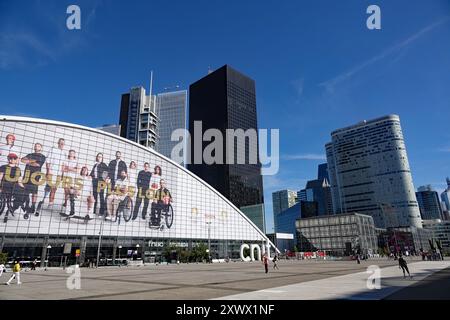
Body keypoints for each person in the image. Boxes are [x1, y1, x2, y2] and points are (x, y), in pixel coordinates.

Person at [21, 143, 46, 218]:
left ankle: (33, 205)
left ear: (41, 148)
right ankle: (27, 205)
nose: (36, 147)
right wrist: (32, 161)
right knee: (26, 190)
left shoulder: (42, 156)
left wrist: (28, 161)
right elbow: (22, 160)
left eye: (38, 146)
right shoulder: (30, 154)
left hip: (35, 176)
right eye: (35, 145)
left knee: (34, 191)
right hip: (27, 175)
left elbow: (38, 165)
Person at [0, 153, 27, 223]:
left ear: (16, 160)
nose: (12, 159)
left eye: (14, 158)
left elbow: (19, 181)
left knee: (24, 191)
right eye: (11, 158)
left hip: (15, 187)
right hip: (5, 186)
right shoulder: (3, 167)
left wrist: (24, 188)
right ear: (8, 159)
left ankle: (16, 208)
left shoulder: (18, 169)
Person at [45, 138, 67, 208]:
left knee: (54, 189)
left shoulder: (64, 153)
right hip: (52, 172)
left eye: (63, 143)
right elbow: (48, 161)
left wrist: (63, 174)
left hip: (59, 174)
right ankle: (45, 201)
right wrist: (48, 171)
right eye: (60, 143)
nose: (62, 144)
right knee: (48, 188)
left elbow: (63, 165)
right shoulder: (53, 150)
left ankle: (50, 203)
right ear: (58, 143)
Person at [62, 149, 79, 216]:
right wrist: (73, 168)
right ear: (69, 153)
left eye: (73, 153)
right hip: (66, 177)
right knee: (66, 192)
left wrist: (68, 168)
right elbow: (63, 169)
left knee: (71, 192)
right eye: (70, 153)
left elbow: (77, 170)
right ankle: (66, 207)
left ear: (74, 154)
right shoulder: (65, 160)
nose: (71, 154)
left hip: (73, 179)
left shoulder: (76, 161)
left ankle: (71, 208)